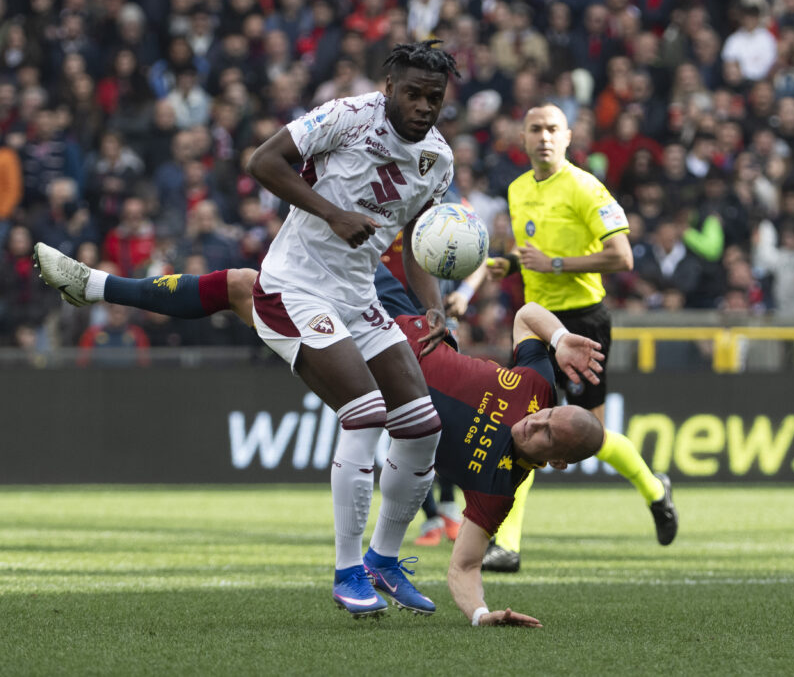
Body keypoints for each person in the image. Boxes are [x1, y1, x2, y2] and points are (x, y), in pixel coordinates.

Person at [35, 242, 666, 628]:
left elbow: (465, 567)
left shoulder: (498, 486)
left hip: (365, 359)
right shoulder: (537, 386)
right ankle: (379, 562)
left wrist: (478, 614)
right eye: (542, 415)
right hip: (405, 318)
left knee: (240, 288)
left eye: (541, 433)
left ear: (551, 462)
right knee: (376, 236)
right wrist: (557, 339)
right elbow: (527, 313)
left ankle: (97, 287)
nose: (529, 420)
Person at [40, 41, 461, 619]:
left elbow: (417, 241)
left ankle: (383, 560)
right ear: (388, 88)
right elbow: (261, 161)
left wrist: (433, 306)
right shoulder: (345, 117)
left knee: (422, 426)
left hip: (358, 297)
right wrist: (331, 213)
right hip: (295, 284)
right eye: (412, 93)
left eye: (433, 98)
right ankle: (346, 572)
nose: (422, 106)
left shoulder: (438, 160)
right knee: (363, 412)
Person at [483, 103, 676, 572]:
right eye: (535, 129)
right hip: (536, 322)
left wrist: (556, 265)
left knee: (594, 435)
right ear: (522, 138)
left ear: (568, 137)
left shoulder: (586, 187)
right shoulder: (516, 188)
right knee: (523, 427)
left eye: (553, 129)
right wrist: (509, 264)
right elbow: (532, 250)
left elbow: (622, 257)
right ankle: (506, 544)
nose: (544, 137)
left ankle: (655, 489)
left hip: (584, 321)